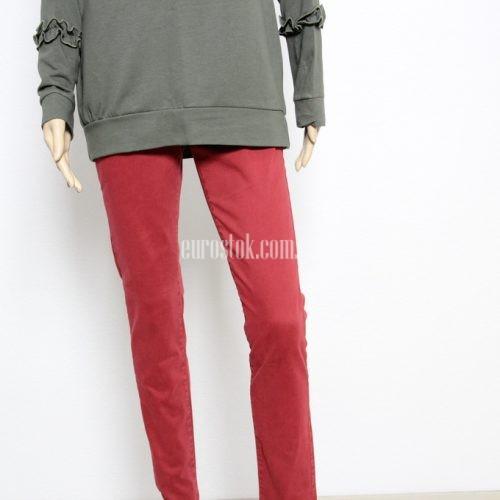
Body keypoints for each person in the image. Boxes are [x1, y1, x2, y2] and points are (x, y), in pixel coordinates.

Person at [34, 0, 326, 498]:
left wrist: (309, 88)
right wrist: (55, 94)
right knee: (156, 323)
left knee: (280, 319)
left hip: (241, 81)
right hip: (125, 86)